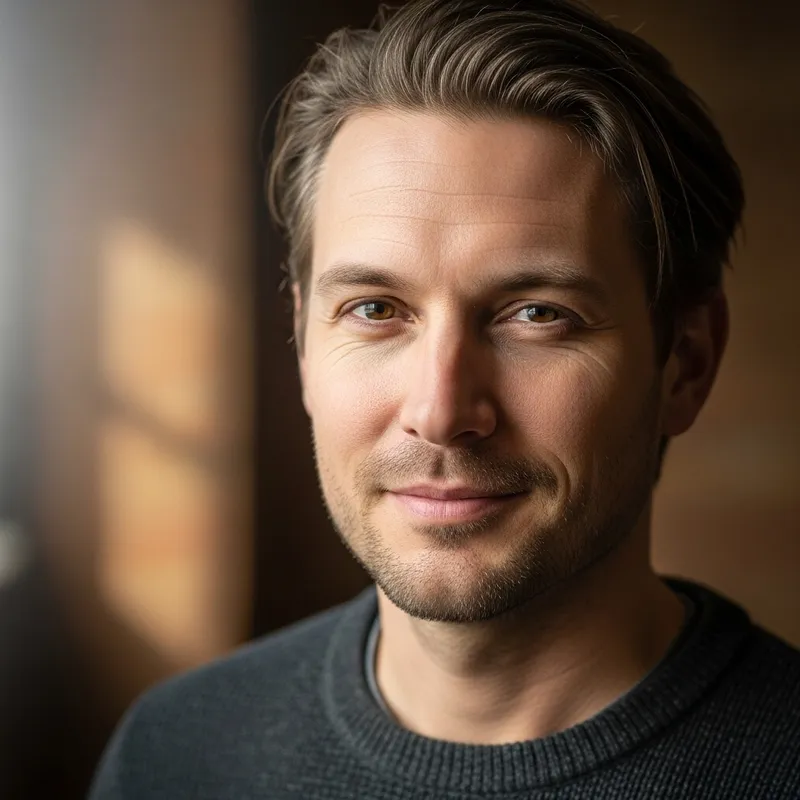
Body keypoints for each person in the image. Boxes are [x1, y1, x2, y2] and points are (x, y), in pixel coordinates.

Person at [88, 0, 800, 797]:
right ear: (302, 341)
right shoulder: (177, 752)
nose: (440, 410)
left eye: (537, 314)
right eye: (374, 310)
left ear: (687, 364)